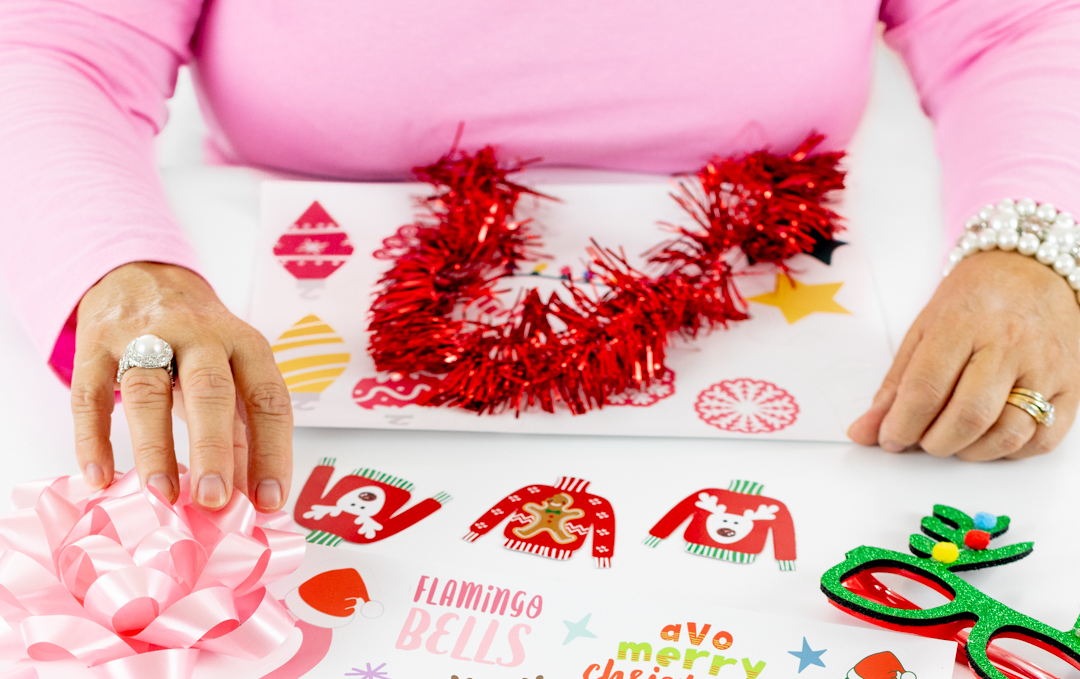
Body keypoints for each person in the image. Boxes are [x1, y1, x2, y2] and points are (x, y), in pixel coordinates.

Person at [0, 0, 1078, 516]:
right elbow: (52, 50)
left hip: (807, 400)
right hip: (291, 372)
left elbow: (1018, 29)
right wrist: (123, 271)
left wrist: (1034, 247)